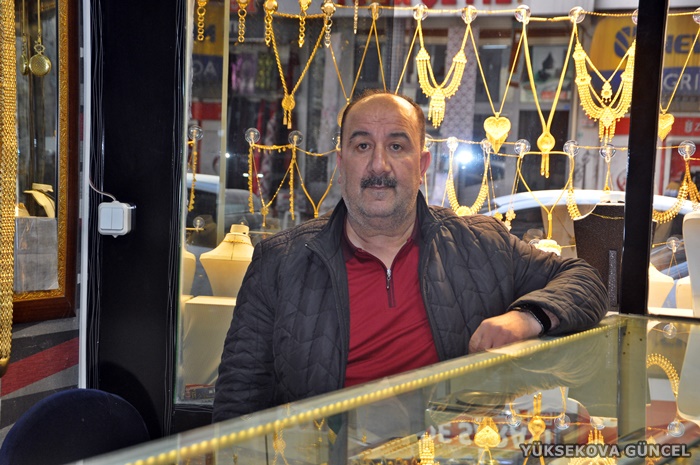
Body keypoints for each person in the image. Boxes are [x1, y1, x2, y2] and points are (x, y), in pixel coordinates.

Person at [212, 89, 608, 422]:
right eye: (362, 145)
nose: (379, 165)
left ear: (422, 166)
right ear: (341, 164)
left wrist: (527, 318)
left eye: (396, 146)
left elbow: (586, 280)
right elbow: (238, 401)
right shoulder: (279, 263)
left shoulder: (479, 244)